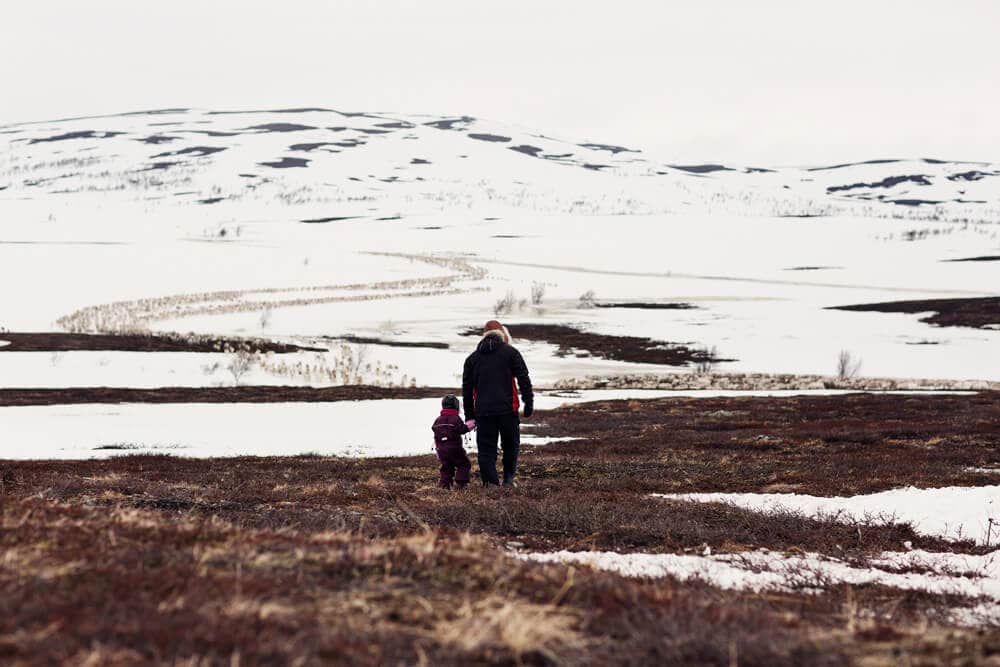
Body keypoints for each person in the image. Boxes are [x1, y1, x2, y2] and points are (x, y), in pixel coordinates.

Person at [462, 320, 533, 487]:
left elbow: (466, 390)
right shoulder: (511, 353)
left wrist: (469, 416)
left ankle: (491, 484)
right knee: (510, 446)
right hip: (508, 409)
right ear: (502, 334)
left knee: (486, 449)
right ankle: (508, 480)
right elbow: (524, 378)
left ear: (483, 335)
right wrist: (528, 403)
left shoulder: (472, 359)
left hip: (483, 412)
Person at [431, 395, 476, 489]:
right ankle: (461, 483)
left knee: (446, 467)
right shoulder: (455, 418)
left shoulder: (437, 420)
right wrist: (472, 424)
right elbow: (462, 429)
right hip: (455, 448)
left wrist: (437, 450)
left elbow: (436, 437)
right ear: (456, 406)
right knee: (464, 464)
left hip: (442, 449)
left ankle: (444, 486)